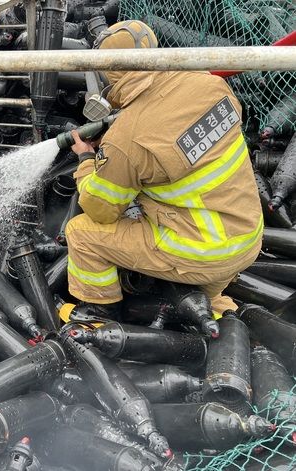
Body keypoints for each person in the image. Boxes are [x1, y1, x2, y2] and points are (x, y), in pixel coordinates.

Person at [66, 20, 262, 320]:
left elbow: (100, 209)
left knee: (81, 233)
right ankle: (214, 306)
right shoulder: (210, 84)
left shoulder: (128, 138)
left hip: (204, 253)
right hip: (246, 237)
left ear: (108, 72)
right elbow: (173, 138)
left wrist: (86, 161)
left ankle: (101, 315)